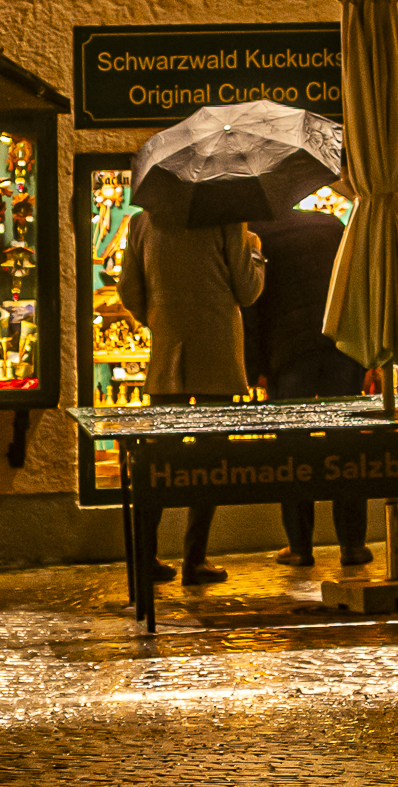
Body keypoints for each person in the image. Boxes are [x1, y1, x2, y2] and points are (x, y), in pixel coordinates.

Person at [117, 201, 264, 585]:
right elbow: (247, 292)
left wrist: (158, 321)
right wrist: (255, 251)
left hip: (168, 359)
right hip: (218, 358)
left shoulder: (142, 221)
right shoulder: (227, 216)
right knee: (210, 462)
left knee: (159, 459)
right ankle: (194, 560)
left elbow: (128, 289)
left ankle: (145, 558)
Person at [247, 204, 374, 568]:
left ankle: (300, 545)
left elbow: (253, 303)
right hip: (341, 346)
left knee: (294, 450)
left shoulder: (256, 234)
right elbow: (355, 287)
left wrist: (255, 367)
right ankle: (352, 543)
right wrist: (364, 354)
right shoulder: (330, 226)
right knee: (345, 446)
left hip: (289, 353)